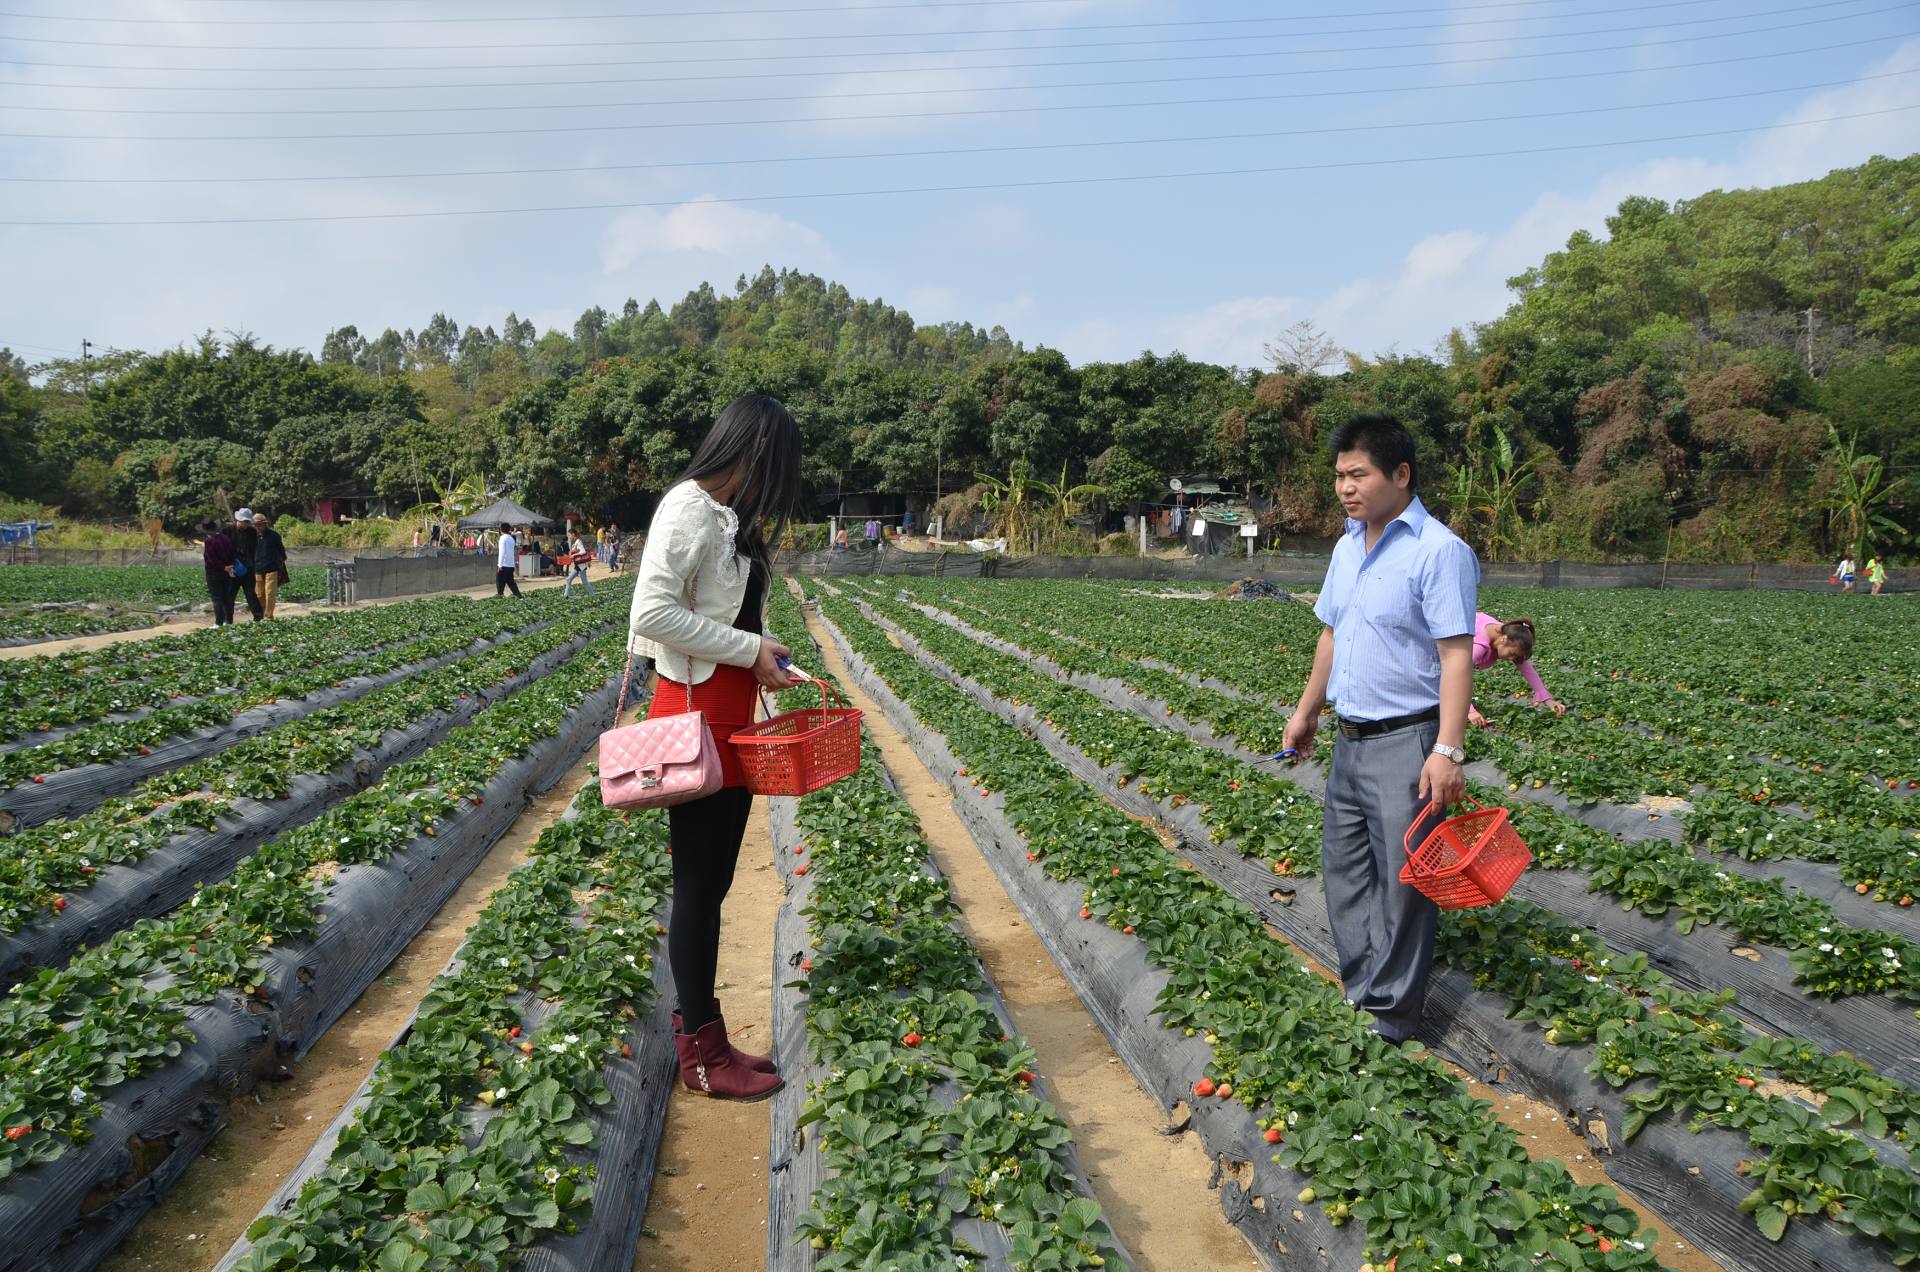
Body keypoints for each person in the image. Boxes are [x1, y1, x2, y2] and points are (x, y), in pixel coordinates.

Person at [627, 393, 803, 1102]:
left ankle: (713, 1038)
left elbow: (729, 615)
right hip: (694, 720)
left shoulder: (731, 519)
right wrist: (748, 646)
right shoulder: (687, 508)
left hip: (730, 718)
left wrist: (766, 657)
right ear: (753, 453)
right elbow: (652, 613)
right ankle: (700, 1055)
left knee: (716, 886)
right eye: (776, 468)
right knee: (698, 891)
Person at [1282, 414, 1478, 1046]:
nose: (1345, 487)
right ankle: (1362, 990)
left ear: (1400, 475)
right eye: (1339, 475)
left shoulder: (1439, 552)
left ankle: (1390, 1018)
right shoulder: (1345, 548)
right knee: (1345, 872)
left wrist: (1448, 748)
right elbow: (1332, 634)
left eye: (1357, 474)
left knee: (1403, 883)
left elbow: (1455, 654)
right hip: (1351, 737)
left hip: (1409, 740)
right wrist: (1308, 709)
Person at [1467, 614, 1564, 726]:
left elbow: (1527, 669)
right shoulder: (1477, 648)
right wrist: (1469, 711)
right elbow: (1455, 676)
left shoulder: (1511, 633)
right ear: (1504, 639)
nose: (1512, 659)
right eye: (1512, 654)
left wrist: (1547, 699)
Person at [252, 511, 288, 620]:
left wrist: (280, 563)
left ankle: (268, 616)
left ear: (265, 524)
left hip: (272, 568)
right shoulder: (251, 537)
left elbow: (282, 552)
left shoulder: (274, 536)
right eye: (255, 525)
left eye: (260, 524)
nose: (258, 527)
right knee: (259, 594)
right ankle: (262, 614)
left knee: (270, 594)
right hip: (257, 569)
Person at [201, 518, 237, 626]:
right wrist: (229, 566)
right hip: (227, 571)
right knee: (226, 597)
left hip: (214, 573)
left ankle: (219, 622)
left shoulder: (209, 541)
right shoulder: (225, 538)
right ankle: (229, 621)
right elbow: (232, 553)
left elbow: (212, 560)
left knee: (217, 598)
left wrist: (223, 567)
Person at [231, 508, 264, 622]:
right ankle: (227, 619)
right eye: (243, 521)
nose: (245, 524)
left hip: (248, 568)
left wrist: (251, 563)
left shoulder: (252, 532)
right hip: (233, 569)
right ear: (238, 520)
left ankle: (259, 617)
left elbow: (255, 549)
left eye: (246, 522)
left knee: (251, 594)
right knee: (230, 595)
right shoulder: (227, 531)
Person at [564, 529, 593, 597]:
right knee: (568, 579)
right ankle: (566, 595)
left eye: (569, 535)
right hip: (577, 566)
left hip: (581, 566)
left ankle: (592, 595)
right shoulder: (575, 543)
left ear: (573, 534)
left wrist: (574, 555)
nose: (569, 537)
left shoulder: (578, 542)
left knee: (585, 582)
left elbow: (583, 551)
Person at [495, 525, 521, 597]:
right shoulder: (511, 538)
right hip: (510, 565)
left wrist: (500, 565)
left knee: (499, 581)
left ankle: (500, 596)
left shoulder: (503, 538)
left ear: (501, 530)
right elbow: (513, 551)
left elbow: (502, 552)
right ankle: (519, 596)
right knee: (511, 582)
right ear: (509, 529)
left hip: (504, 564)